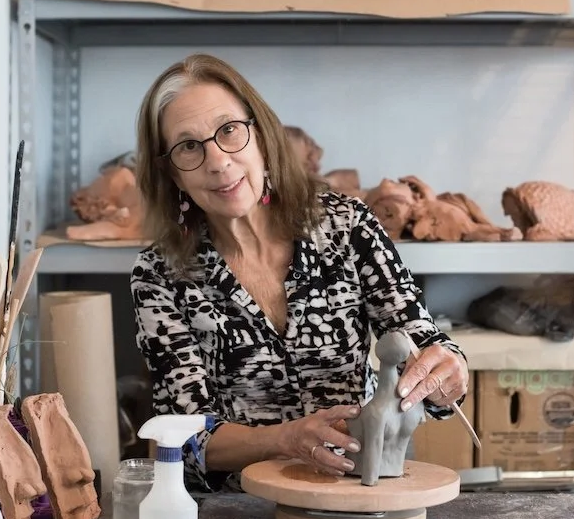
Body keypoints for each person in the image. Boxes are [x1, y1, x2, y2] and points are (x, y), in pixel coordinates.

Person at [130, 53, 469, 492]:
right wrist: (283, 439)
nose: (217, 161)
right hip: (241, 509)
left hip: (356, 490)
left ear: (262, 137)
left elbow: (421, 344)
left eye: (229, 131)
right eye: (189, 146)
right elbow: (183, 441)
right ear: (172, 173)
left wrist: (448, 371)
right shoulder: (160, 274)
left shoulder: (347, 227)